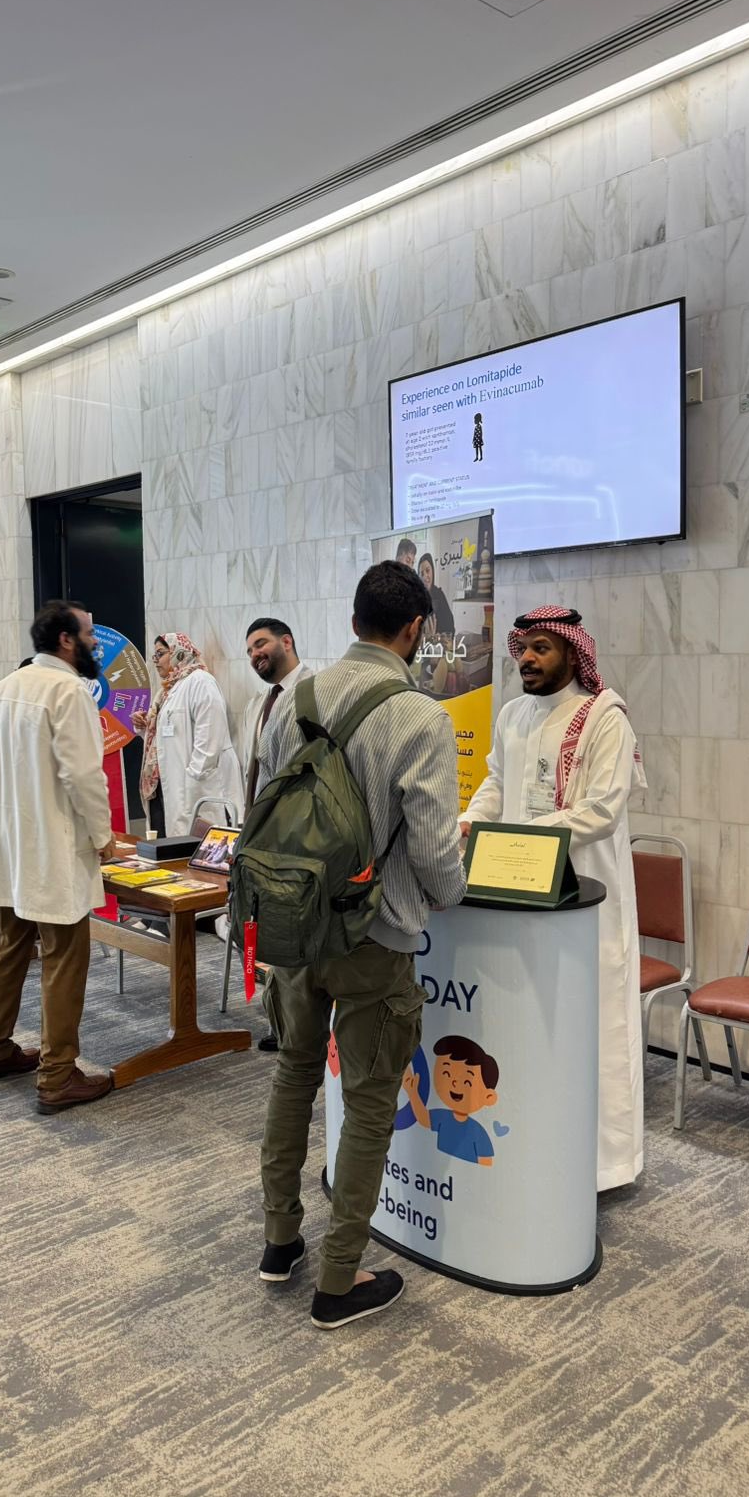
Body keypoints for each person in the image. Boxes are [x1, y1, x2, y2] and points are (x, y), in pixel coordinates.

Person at [255, 562, 464, 1329]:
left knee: (293, 1075)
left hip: (294, 927)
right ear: (415, 630)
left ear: (351, 622)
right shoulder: (420, 718)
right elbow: (437, 860)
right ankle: (339, 1279)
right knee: (372, 1101)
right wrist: (453, 889)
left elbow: (266, 805)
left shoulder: (295, 699)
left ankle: (281, 1241)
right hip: (375, 936)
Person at [461, 605, 645, 1191]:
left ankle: (604, 1166)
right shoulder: (513, 714)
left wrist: (520, 839)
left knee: (591, 1023)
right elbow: (496, 782)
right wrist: (471, 822)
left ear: (572, 652)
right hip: (519, 894)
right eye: (523, 649)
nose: (528, 659)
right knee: (531, 1024)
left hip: (586, 898)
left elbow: (602, 810)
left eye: (542, 648)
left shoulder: (605, 717)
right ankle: (537, 1155)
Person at [0, 602, 116, 1114]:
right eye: (90, 634)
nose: (96, 644)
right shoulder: (68, 691)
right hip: (53, 850)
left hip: (10, 847)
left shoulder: (9, 685)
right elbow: (83, 775)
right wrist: (103, 836)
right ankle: (57, 1075)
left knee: (9, 947)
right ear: (67, 640)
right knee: (64, 959)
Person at [241, 617, 312, 1050]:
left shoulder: (314, 693)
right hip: (259, 836)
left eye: (261, 643)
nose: (255, 654)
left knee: (293, 935)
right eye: (250, 650)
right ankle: (276, 1021)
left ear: (287, 641)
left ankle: (294, 1029)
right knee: (265, 931)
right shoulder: (259, 703)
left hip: (296, 839)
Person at [135, 633, 243, 837]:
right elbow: (169, 739)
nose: (156, 660)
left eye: (161, 653)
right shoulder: (167, 690)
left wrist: (190, 783)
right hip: (167, 788)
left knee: (196, 846)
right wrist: (145, 727)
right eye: (154, 655)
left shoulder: (201, 681)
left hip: (194, 789)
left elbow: (209, 741)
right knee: (170, 847)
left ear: (179, 652)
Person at [402, 1035, 498, 1166]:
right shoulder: (443, 1117)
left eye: (467, 1081)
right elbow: (424, 1119)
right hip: (437, 1169)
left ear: (489, 1097)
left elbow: (486, 1164)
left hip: (464, 1175)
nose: (454, 1083)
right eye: (446, 1073)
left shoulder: (478, 1132)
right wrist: (412, 1092)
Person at [417, 553, 455, 640]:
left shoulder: (439, 595)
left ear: (433, 571)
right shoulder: (415, 598)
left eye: (427, 571)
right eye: (421, 574)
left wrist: (440, 636)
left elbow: (450, 626)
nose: (425, 577)